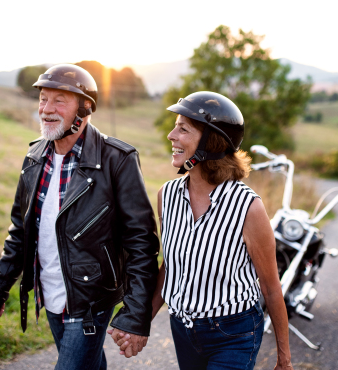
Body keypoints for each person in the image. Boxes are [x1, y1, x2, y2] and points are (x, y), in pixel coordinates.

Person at [0, 64, 159, 369]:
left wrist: (135, 311)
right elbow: (20, 230)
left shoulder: (117, 159)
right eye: (42, 99)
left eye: (59, 100)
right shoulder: (34, 157)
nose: (45, 110)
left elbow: (141, 242)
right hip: (49, 295)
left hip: (91, 299)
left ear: (85, 108)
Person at [116, 91, 294, 369]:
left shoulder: (248, 207)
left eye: (183, 128)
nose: (171, 135)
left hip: (234, 333)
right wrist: (140, 322)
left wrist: (284, 359)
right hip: (183, 331)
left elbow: (271, 288)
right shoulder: (168, 195)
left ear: (210, 142)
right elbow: (172, 267)